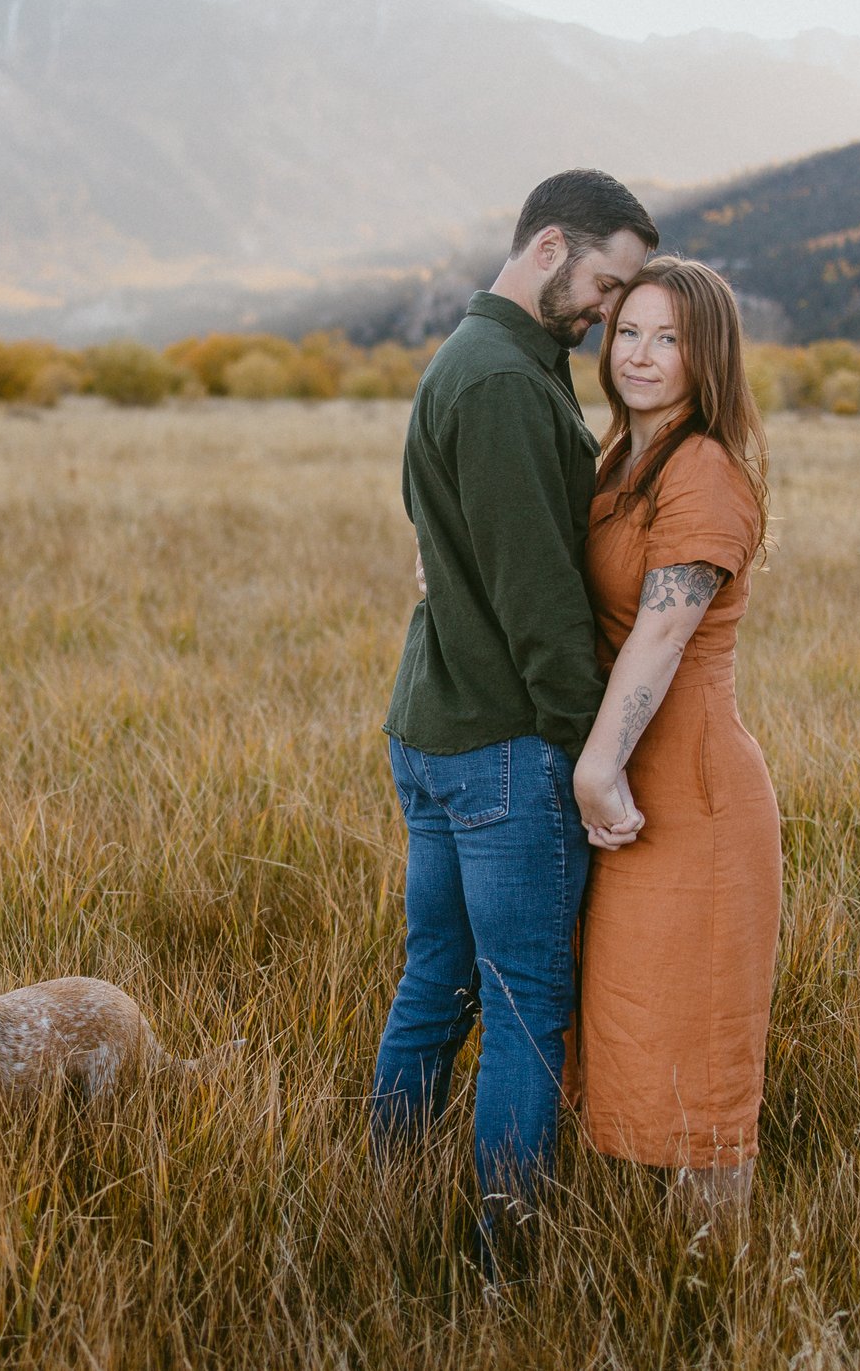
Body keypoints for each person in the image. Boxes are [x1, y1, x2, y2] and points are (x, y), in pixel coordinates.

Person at [371, 169, 655, 1226]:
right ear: (548, 247)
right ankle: (506, 1255)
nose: (610, 311)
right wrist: (596, 756)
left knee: (438, 980)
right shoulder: (497, 379)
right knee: (526, 1004)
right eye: (604, 284)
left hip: (441, 728)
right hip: (498, 743)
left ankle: (391, 1206)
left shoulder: (495, 357)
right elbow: (539, 603)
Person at [569, 257, 779, 1227]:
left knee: (694, 1037)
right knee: (622, 1025)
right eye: (628, 333)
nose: (641, 355)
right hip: (622, 790)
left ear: (707, 357)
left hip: (687, 798)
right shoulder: (620, 456)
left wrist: (598, 766)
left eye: (668, 338)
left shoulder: (702, 467)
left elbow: (661, 628)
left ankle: (714, 1284)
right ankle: (635, 1260)